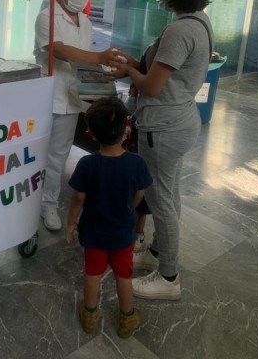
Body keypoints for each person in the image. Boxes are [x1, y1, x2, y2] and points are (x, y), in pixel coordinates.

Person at [105, 0, 212, 301]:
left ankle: (168, 277)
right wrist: (135, 63)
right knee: (169, 194)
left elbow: (152, 86)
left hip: (164, 127)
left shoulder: (181, 30)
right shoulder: (198, 22)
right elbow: (163, 73)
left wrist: (128, 72)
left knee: (161, 200)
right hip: (180, 121)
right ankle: (156, 252)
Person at [34, 0, 123, 231]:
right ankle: (26, 199)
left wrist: (103, 73)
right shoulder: (47, 18)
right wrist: (98, 57)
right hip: (47, 94)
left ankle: (48, 204)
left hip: (71, 96)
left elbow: (83, 61)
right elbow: (58, 50)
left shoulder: (86, 23)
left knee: (58, 155)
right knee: (36, 153)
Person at [65, 96, 152, 338]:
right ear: (127, 129)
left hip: (93, 232)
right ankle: (127, 318)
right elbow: (139, 194)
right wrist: (128, 208)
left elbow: (78, 197)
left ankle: (89, 315)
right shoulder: (137, 163)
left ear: (90, 133)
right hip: (123, 232)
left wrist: (71, 223)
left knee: (93, 272)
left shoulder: (87, 164)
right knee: (123, 275)